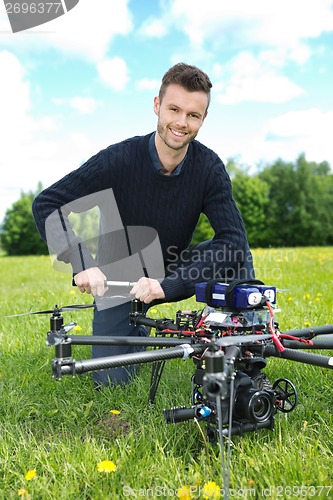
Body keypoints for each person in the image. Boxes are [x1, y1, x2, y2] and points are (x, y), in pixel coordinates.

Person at [32, 62, 254, 387]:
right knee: (113, 383)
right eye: (174, 109)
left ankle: (243, 356)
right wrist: (81, 262)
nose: (181, 122)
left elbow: (232, 240)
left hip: (174, 268)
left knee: (237, 254)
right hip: (118, 279)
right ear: (156, 106)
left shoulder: (209, 168)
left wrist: (171, 285)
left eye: (193, 115)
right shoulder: (118, 159)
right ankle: (135, 330)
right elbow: (47, 204)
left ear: (203, 120)